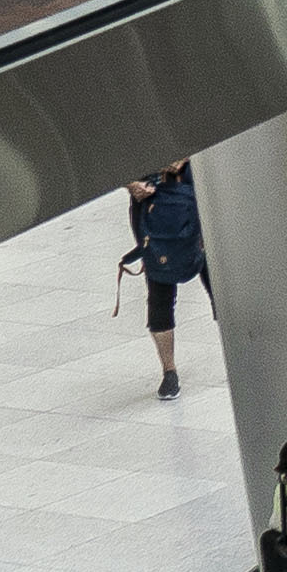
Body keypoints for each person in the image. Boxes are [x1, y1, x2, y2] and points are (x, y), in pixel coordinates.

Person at [128, 159, 210, 395]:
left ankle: (241, 353)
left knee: (217, 280)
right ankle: (169, 371)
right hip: (152, 200)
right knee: (159, 287)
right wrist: (131, 183)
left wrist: (183, 157)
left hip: (190, 188)